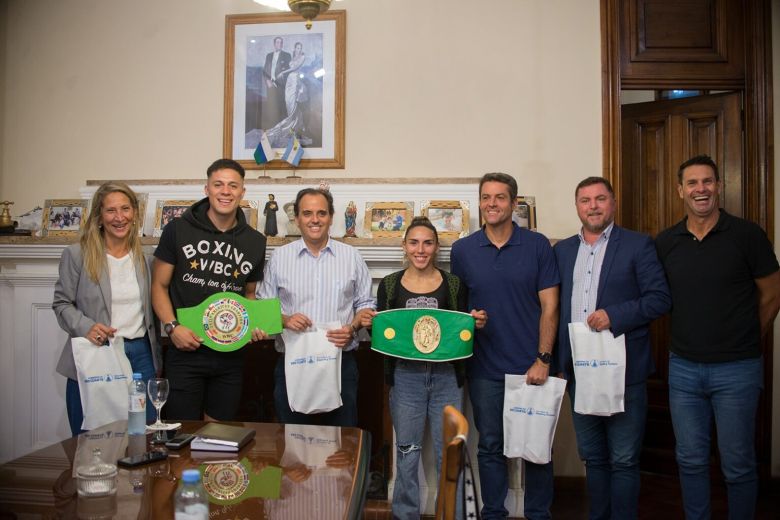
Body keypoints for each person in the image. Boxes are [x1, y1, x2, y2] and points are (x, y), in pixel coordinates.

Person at [655, 155, 780, 520]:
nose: (700, 189)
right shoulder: (666, 242)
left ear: (719, 187)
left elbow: (772, 294)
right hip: (683, 370)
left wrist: (745, 336)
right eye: (692, 183)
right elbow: (655, 297)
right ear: (680, 191)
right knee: (690, 459)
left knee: (738, 463)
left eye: (707, 181)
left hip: (737, 369)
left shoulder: (747, 235)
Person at [554, 177, 671, 519]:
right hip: (579, 371)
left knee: (623, 458)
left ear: (613, 203)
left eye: (600, 199)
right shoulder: (562, 250)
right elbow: (553, 307)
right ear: (577, 206)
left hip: (624, 372)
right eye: (585, 200)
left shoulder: (637, 245)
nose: (593, 206)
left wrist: (614, 315)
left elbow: (660, 298)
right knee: (593, 455)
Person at [451, 172, 560, 520]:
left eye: (500, 197)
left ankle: (538, 513)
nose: (492, 204)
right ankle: (493, 513)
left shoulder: (538, 245)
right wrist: (471, 319)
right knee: (491, 446)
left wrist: (543, 358)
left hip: (532, 366)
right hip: (485, 369)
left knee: (536, 447)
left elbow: (550, 306)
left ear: (514, 203)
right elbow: (458, 310)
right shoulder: (463, 250)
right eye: (486, 197)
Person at [368, 216, 486, 519]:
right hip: (405, 378)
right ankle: (405, 514)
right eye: (414, 242)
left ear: (436, 247)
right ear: (404, 246)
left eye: (428, 243)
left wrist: (475, 324)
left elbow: (462, 331)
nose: (421, 249)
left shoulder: (454, 284)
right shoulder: (391, 284)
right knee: (406, 452)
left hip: (447, 378)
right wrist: (371, 325)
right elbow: (384, 335)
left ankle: (452, 514)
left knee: (451, 452)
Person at [151, 159, 267, 421]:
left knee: (219, 433)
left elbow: (249, 295)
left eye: (232, 185)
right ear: (207, 189)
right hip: (186, 350)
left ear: (242, 192)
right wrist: (172, 327)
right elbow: (159, 285)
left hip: (230, 356)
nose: (225, 191)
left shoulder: (256, 241)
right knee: (183, 432)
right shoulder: (178, 229)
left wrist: (254, 325)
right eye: (218, 184)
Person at [258, 187, 375, 427]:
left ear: (331, 217)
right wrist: (284, 319)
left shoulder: (352, 256)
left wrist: (352, 327)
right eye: (307, 213)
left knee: (343, 447)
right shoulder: (280, 258)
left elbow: (366, 306)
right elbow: (262, 307)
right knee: (293, 446)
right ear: (297, 219)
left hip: (341, 363)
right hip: (293, 363)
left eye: (321, 213)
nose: (315, 219)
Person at [53, 182, 162, 435]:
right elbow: (61, 303)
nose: (119, 217)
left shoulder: (146, 258)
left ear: (134, 213)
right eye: (111, 210)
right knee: (93, 438)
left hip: (141, 355)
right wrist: (86, 326)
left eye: (126, 209)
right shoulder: (77, 254)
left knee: (141, 436)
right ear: (99, 216)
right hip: (97, 353)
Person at [262, 36, 291, 129]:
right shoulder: (269, 55)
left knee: (282, 105)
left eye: (281, 42)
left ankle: (283, 129)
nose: (280, 44)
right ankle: (272, 129)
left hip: (281, 84)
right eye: (278, 42)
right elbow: (265, 70)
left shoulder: (287, 55)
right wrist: (267, 81)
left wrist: (280, 81)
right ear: (274, 44)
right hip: (270, 84)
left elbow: (288, 70)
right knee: (271, 106)